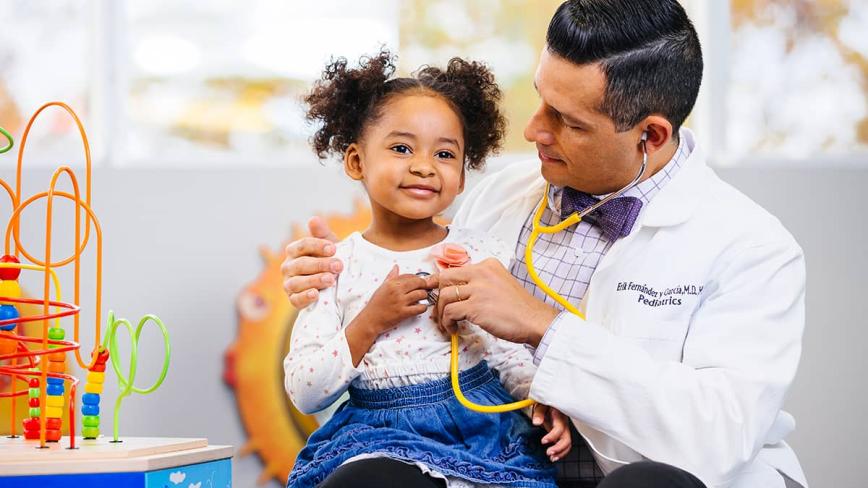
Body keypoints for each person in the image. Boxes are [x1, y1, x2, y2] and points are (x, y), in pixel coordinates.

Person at [282, 2, 808, 487]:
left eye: (568, 121)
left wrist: (543, 326)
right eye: (541, 98)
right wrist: (323, 282)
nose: (534, 130)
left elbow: (716, 442)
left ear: (650, 135)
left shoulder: (752, 247)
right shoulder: (501, 196)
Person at [284, 50, 572, 488]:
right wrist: (370, 321)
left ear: (460, 177)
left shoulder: (478, 253)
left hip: (479, 435)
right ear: (357, 161)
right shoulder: (335, 268)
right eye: (401, 148)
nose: (423, 165)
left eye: (444, 154)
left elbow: (507, 350)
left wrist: (538, 398)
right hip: (381, 438)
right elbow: (306, 392)